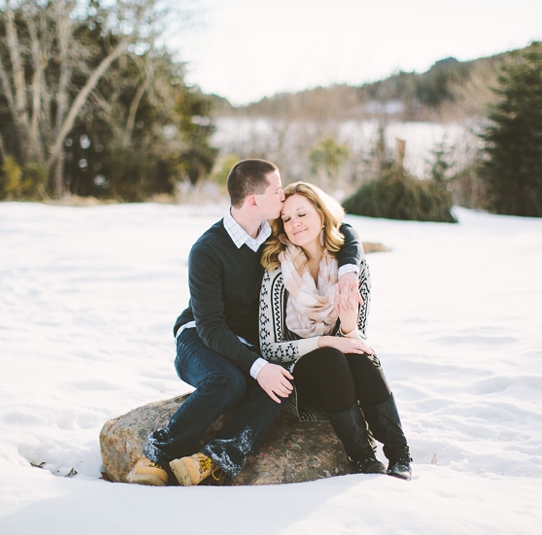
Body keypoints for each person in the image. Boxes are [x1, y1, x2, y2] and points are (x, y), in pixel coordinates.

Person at [126, 160, 365, 486]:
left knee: (281, 384)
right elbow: (210, 327)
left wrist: (349, 268)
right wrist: (257, 367)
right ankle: (154, 456)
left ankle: (212, 460)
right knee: (229, 382)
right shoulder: (207, 250)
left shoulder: (277, 234)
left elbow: (340, 227)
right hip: (201, 338)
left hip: (252, 344)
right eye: (277, 190)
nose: (283, 197)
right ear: (254, 201)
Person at [258, 181, 413, 480]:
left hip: (343, 375)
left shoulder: (351, 271)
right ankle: (363, 457)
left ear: (321, 211)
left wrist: (347, 325)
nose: (294, 224)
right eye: (287, 219)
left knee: (361, 356)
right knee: (330, 357)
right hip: (297, 379)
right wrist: (325, 342)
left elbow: (356, 339)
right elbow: (269, 348)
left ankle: (399, 453)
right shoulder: (277, 274)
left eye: (301, 214)